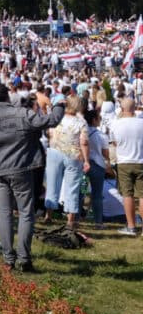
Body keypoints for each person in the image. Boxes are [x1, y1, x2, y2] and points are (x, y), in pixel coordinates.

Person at [0, 80, 65, 272]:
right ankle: (24, 258)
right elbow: (51, 121)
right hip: (21, 169)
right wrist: (59, 105)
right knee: (26, 213)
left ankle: (9, 259)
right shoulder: (21, 113)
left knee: (5, 214)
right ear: (7, 96)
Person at [43, 94, 90, 230]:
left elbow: (49, 133)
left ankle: (49, 215)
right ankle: (70, 219)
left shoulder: (57, 117)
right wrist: (86, 160)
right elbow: (84, 142)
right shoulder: (81, 122)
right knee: (72, 187)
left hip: (55, 152)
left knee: (52, 184)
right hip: (73, 154)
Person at [108, 97, 143, 236]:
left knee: (127, 195)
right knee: (142, 195)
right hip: (140, 160)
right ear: (134, 108)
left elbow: (114, 143)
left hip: (124, 161)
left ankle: (131, 226)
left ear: (122, 109)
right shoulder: (141, 123)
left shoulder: (116, 124)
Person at [84, 107, 112, 229]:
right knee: (97, 195)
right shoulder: (101, 135)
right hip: (97, 165)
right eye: (99, 118)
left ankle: (75, 220)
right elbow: (106, 154)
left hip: (83, 165)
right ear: (94, 120)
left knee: (80, 193)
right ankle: (98, 222)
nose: (100, 120)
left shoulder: (82, 132)